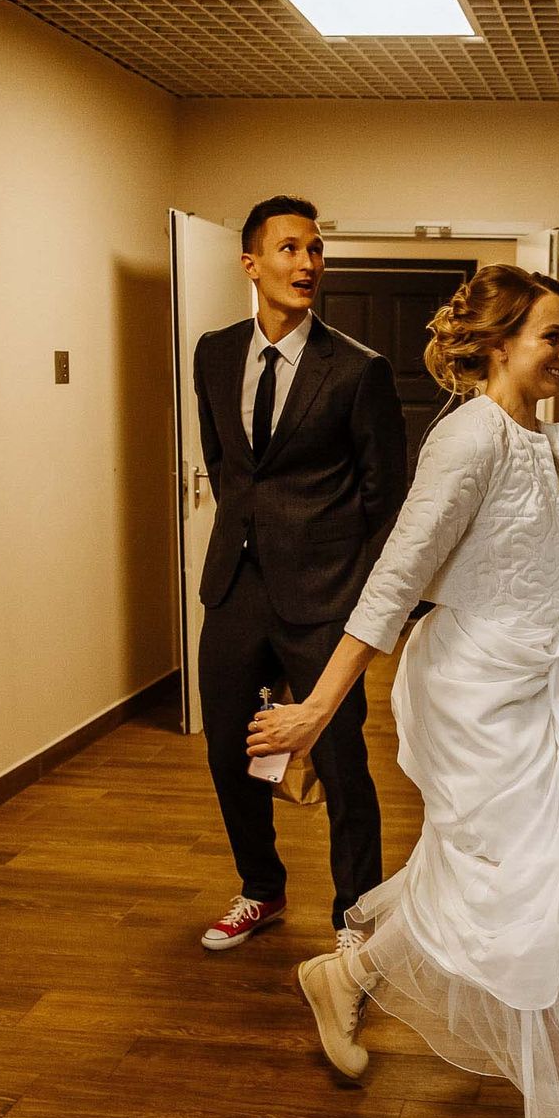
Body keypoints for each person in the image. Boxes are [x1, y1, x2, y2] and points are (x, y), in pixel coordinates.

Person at [246, 265, 559, 1118]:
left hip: (540, 681)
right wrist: (318, 710)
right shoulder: (470, 439)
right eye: (553, 335)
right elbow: (396, 579)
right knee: (551, 881)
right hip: (481, 700)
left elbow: (501, 558)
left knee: (503, 876)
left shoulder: (541, 437)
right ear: (501, 341)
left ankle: (345, 973)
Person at [191, 195, 407, 953]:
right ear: (250, 263)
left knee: (343, 759)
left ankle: (356, 918)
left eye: (315, 250)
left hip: (325, 599)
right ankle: (261, 888)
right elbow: (227, 468)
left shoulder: (357, 370)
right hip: (235, 589)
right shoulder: (213, 353)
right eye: (289, 249)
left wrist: (358, 607)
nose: (307, 263)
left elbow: (387, 505)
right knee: (231, 748)